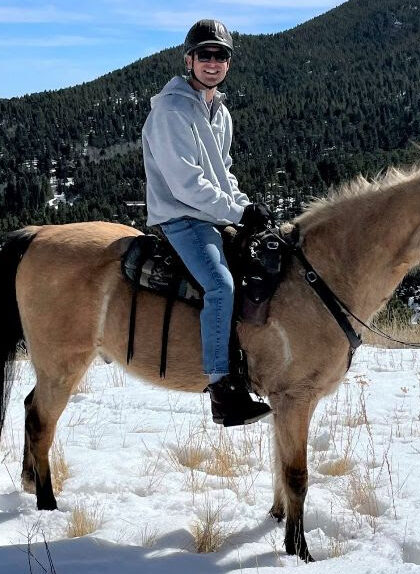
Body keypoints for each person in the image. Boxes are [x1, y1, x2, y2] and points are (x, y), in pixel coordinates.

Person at [142, 18, 273, 427]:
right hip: (181, 217)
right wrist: (236, 214)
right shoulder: (171, 110)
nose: (212, 62)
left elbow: (224, 174)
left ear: (229, 63)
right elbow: (186, 184)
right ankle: (223, 391)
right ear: (189, 59)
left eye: (220, 55)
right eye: (205, 54)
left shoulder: (220, 113)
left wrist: (247, 208)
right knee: (220, 285)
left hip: (212, 214)